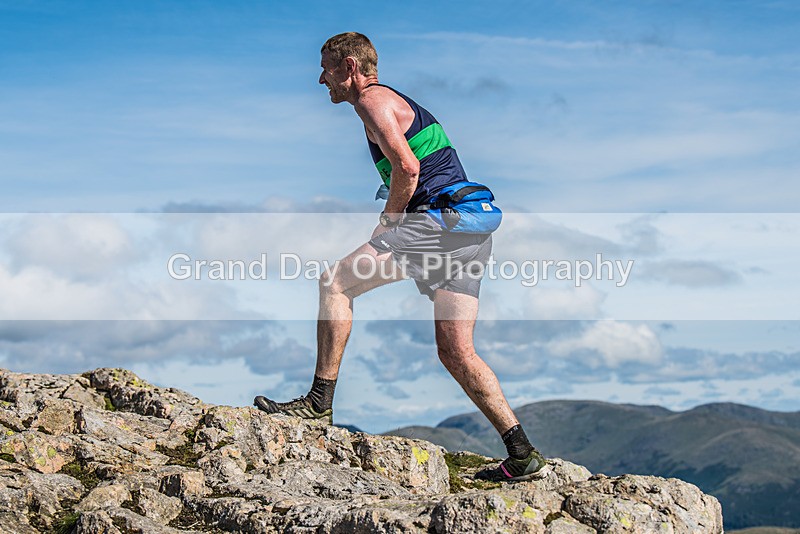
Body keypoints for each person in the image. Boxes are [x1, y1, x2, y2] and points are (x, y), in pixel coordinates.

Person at [254, 32, 547, 482]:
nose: (320, 79)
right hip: (469, 229)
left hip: (435, 223)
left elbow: (408, 169)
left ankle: (318, 404)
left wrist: (390, 223)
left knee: (335, 282)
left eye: (327, 69)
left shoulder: (373, 101)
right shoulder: (393, 101)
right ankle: (522, 452)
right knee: (456, 351)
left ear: (350, 67)